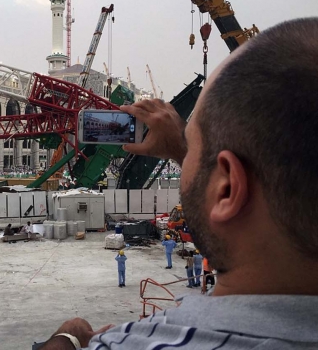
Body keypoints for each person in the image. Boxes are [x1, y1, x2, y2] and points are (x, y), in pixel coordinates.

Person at [39, 19, 318, 349]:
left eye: (194, 143)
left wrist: (69, 336)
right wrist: (185, 150)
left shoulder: (137, 343)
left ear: (227, 189)